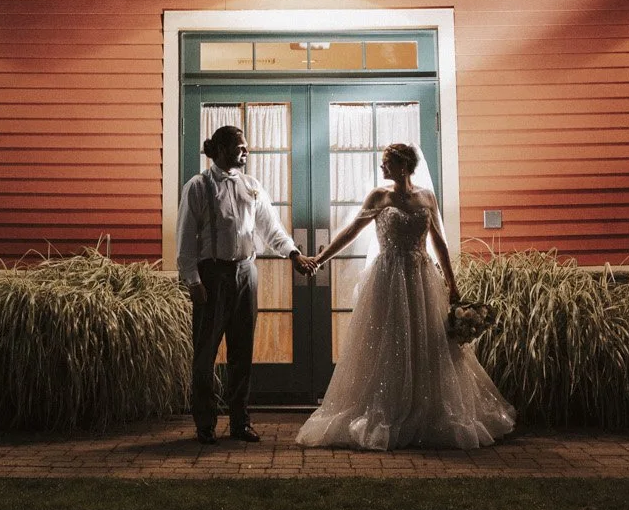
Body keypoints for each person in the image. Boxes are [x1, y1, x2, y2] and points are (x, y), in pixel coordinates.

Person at [296, 142, 516, 450]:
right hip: (387, 277)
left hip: (421, 276)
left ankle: (425, 411)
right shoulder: (379, 197)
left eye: (387, 162)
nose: (382, 167)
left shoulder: (426, 197)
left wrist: (452, 285)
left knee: (427, 342)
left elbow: (438, 242)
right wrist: (320, 259)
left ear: (403, 166)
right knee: (389, 341)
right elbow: (351, 232)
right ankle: (388, 407)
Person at [175, 123, 314, 443]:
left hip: (246, 274)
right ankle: (205, 424)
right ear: (221, 150)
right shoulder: (199, 187)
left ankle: (240, 422)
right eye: (240, 147)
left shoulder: (252, 185)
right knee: (205, 353)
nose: (246, 152)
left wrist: (294, 254)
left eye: (246, 147)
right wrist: (193, 280)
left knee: (242, 352)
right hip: (212, 276)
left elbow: (271, 228)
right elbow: (184, 240)